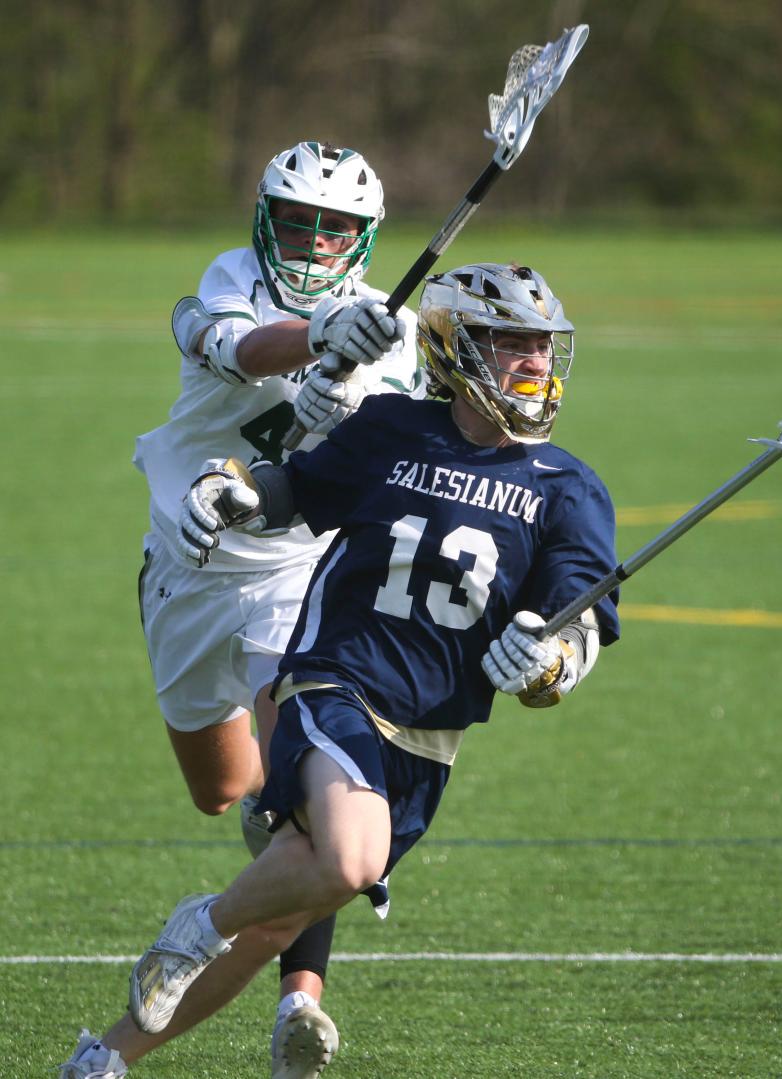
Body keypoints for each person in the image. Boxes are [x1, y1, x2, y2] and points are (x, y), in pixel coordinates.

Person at [60, 262, 619, 1075]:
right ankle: (197, 926)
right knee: (351, 860)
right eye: (510, 344)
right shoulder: (394, 427)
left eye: (542, 346)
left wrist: (550, 663)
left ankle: (104, 1058)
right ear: (456, 349)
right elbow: (296, 491)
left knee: (287, 916)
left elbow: (582, 620)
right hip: (336, 680)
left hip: (429, 737)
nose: (533, 363)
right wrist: (232, 490)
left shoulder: (569, 487)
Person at [59, 141, 421, 1079]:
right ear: (265, 219)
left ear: (364, 236)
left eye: (334, 226)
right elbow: (239, 346)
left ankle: (300, 1000)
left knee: (297, 807)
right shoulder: (233, 279)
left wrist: (360, 392)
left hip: (296, 578)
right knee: (223, 790)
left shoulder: (400, 334)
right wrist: (322, 338)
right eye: (297, 219)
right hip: (185, 568)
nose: (312, 238)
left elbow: (401, 455)